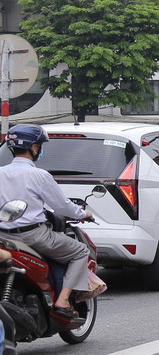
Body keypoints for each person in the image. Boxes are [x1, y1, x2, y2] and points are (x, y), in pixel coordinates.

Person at [0, 124, 96, 320]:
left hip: (3, 236)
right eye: (40, 146)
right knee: (80, 251)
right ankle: (62, 301)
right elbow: (63, 207)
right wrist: (83, 214)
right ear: (34, 148)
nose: (40, 150)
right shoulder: (39, 175)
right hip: (33, 236)